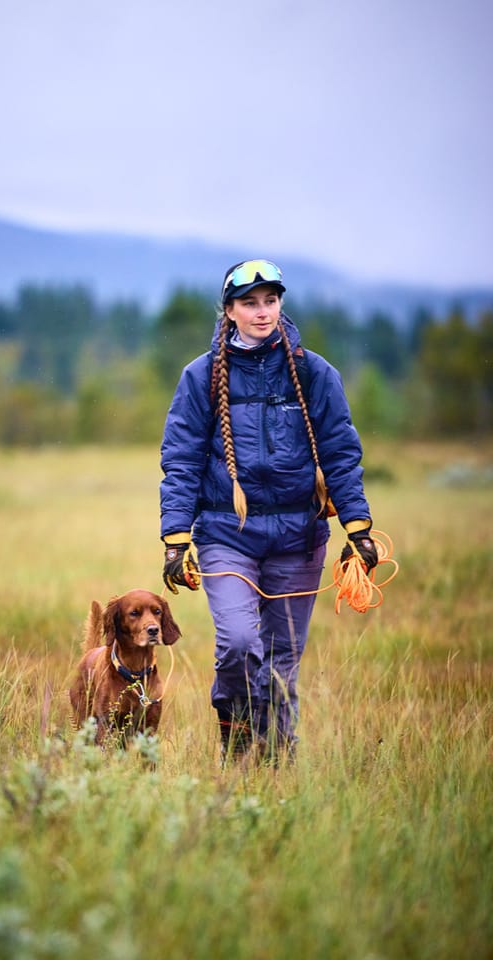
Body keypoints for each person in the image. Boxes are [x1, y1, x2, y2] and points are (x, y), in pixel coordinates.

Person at [159, 259, 378, 764]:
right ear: (229, 310)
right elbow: (181, 459)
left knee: (281, 662)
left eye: (271, 301)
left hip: (298, 537)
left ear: (280, 304)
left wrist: (358, 527)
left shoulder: (313, 372)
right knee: (238, 643)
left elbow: (342, 454)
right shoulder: (200, 376)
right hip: (225, 532)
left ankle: (275, 765)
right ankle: (236, 746)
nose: (262, 312)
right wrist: (176, 539)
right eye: (250, 303)